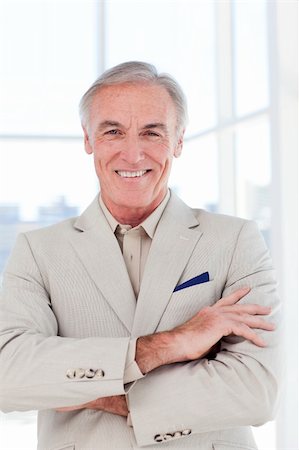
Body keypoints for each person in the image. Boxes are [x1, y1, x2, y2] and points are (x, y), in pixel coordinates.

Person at [0, 61, 280, 450]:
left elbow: (256, 390)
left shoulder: (236, 240)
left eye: (152, 132)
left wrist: (86, 391)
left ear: (178, 141)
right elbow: (9, 376)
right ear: (88, 139)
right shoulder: (39, 251)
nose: (133, 154)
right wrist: (172, 344)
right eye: (113, 131)